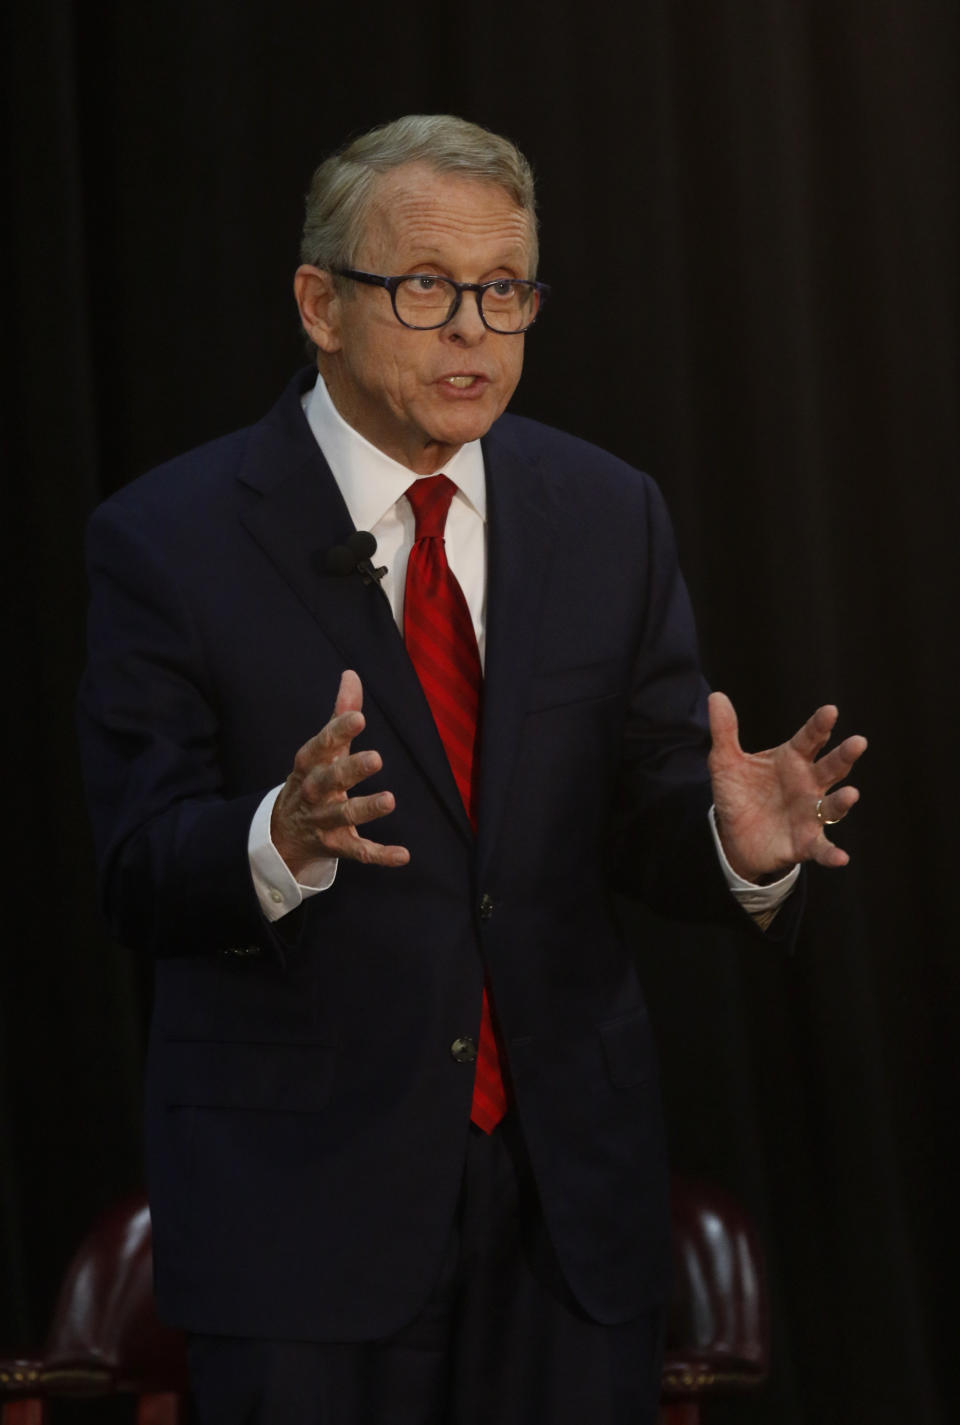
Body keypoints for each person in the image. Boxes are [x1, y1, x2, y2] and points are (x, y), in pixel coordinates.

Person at [78, 115, 866, 1425]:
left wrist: (734, 843)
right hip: (301, 1223)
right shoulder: (168, 540)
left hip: (565, 1215)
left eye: (507, 290)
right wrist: (280, 833)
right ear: (320, 304)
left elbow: (643, 806)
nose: (474, 331)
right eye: (429, 286)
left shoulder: (611, 513)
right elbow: (132, 871)